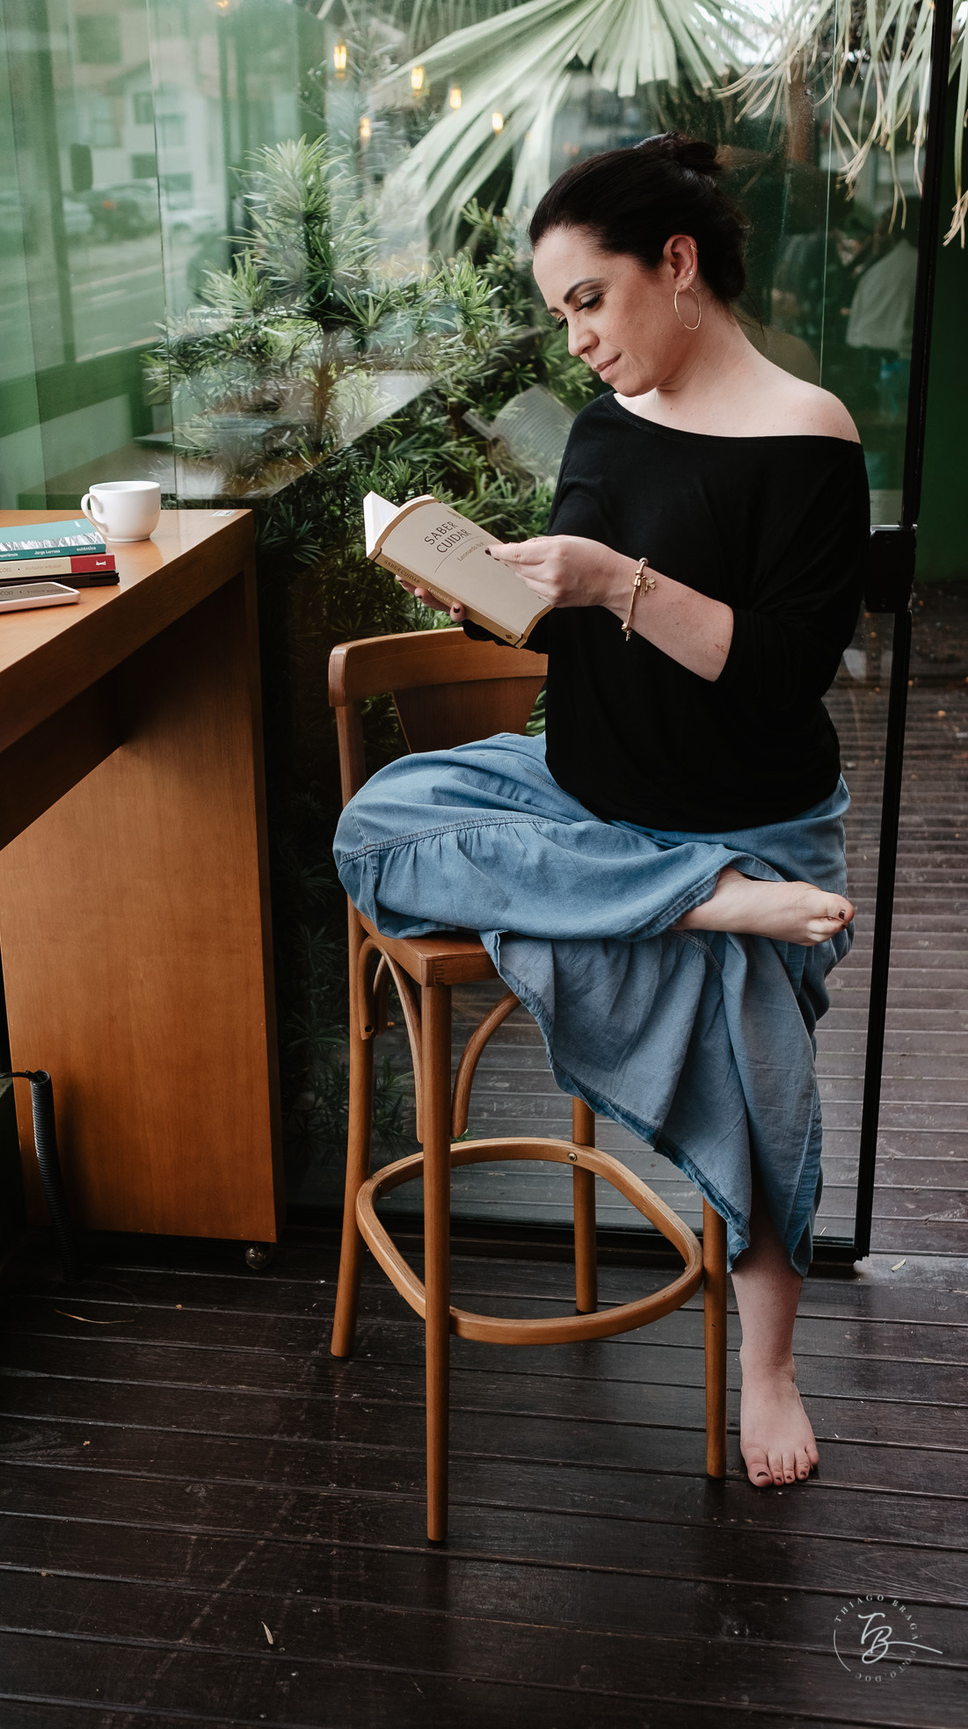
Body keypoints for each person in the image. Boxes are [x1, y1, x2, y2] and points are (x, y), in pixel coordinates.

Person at [334, 133, 869, 1491]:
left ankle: (767, 1370)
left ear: (675, 265)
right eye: (559, 311)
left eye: (588, 299)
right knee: (373, 829)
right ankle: (687, 905)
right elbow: (576, 640)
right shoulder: (604, 423)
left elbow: (777, 677)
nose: (574, 338)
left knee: (759, 1065)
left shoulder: (807, 437)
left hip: (746, 810)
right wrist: (493, 595)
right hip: (583, 797)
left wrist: (615, 579)